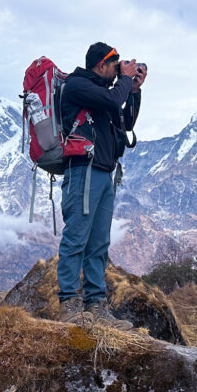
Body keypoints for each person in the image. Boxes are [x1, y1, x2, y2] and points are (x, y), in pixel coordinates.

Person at [56, 42, 146, 329]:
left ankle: (97, 307)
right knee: (77, 238)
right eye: (114, 65)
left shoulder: (103, 93)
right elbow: (110, 102)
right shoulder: (77, 85)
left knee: (99, 244)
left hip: (105, 173)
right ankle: (69, 304)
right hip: (83, 171)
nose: (117, 70)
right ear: (101, 64)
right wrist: (125, 79)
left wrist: (133, 89)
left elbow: (126, 120)